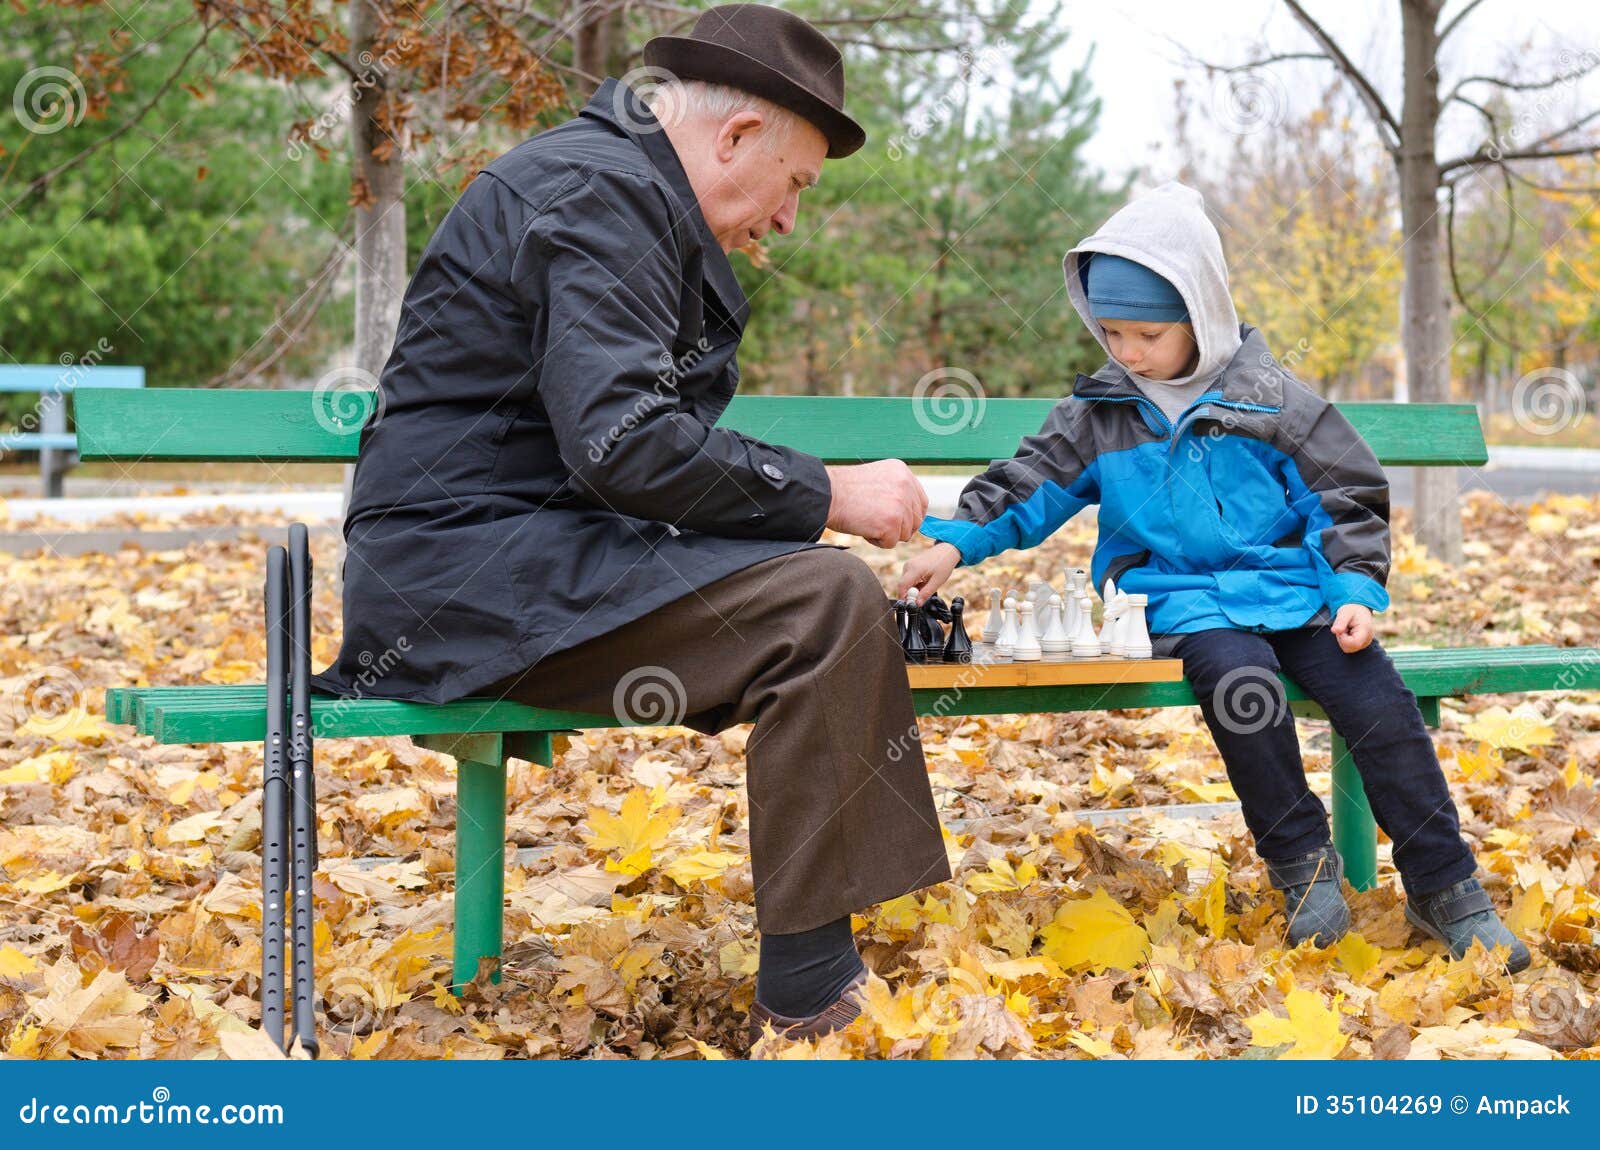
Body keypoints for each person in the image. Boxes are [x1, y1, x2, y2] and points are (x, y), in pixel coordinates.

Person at [312, 5, 952, 1041]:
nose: (789, 219)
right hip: (464, 576)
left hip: (516, 553)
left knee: (809, 585)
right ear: (737, 138)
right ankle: (811, 994)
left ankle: (818, 955)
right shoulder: (603, 193)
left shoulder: (619, 185)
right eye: (795, 184)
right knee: (825, 598)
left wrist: (787, 518)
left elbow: (614, 454)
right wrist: (830, 492)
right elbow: (624, 445)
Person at [898, 181, 1529, 972]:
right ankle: (1302, 866)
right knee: (1241, 686)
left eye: (1147, 335)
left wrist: (1354, 591)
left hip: (1298, 598)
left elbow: (1345, 495)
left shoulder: (1275, 403)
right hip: (1181, 602)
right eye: (1111, 331)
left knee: (1378, 699)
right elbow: (1029, 484)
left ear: (1202, 313)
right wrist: (954, 544)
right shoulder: (1101, 412)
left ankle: (1448, 887)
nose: (1126, 352)